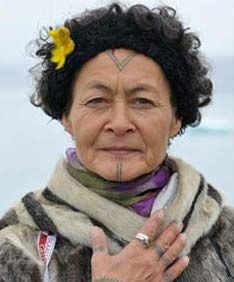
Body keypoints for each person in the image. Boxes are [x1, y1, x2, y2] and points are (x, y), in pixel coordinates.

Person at [0, 2, 234, 281]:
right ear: (67, 116)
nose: (120, 123)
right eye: (97, 101)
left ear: (176, 118)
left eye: (143, 101)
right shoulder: (19, 248)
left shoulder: (225, 234)